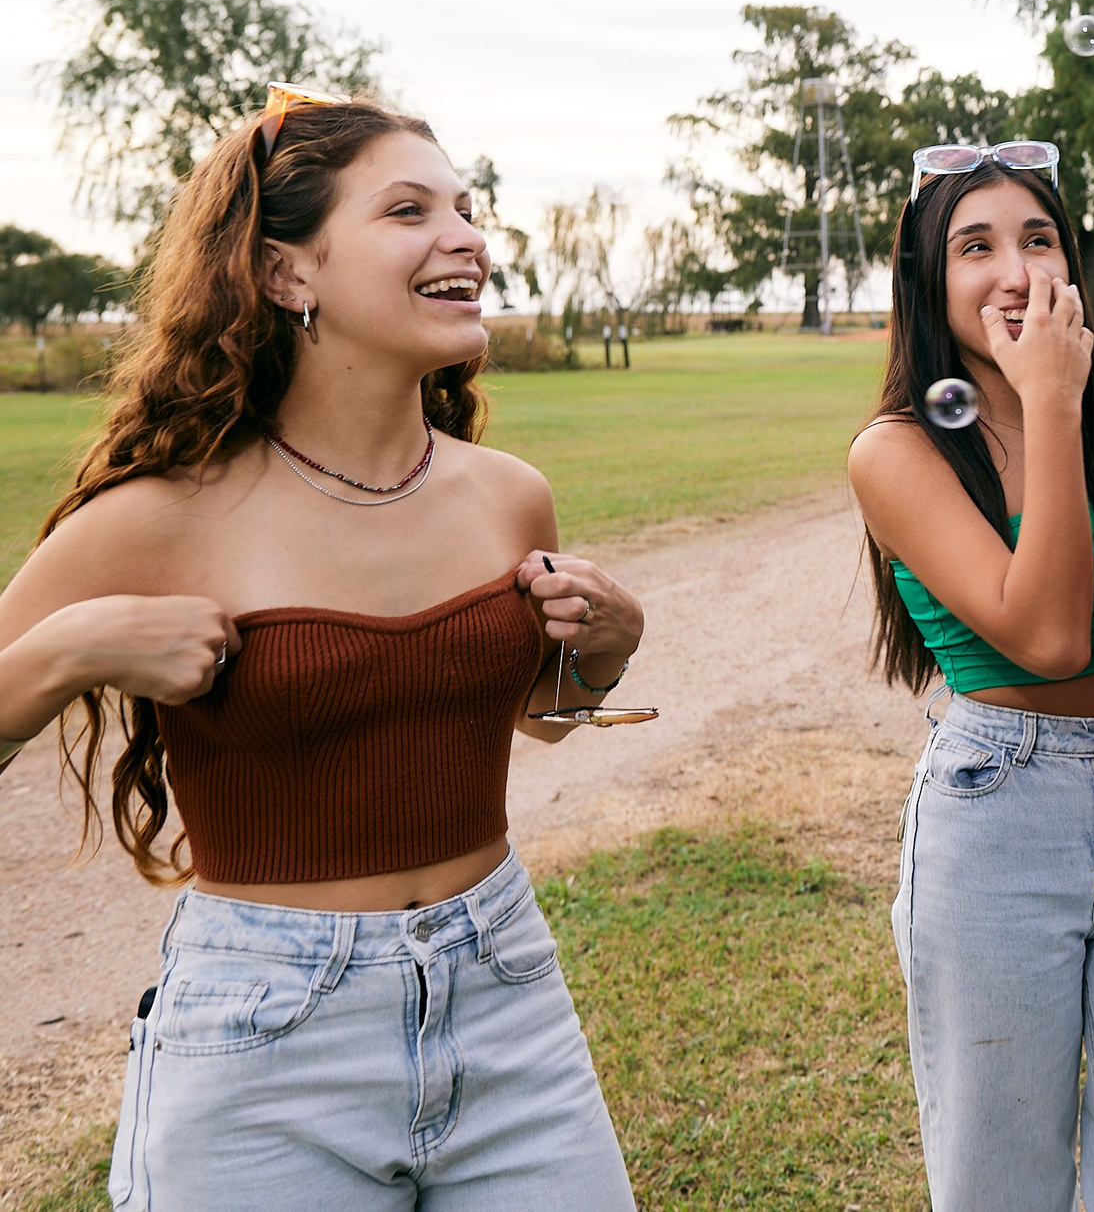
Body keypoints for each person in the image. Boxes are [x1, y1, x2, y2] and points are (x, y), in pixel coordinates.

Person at [0, 86, 644, 1210]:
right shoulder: (160, 515)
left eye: (466, 208)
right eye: (408, 212)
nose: (466, 240)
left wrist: (604, 655)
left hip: (505, 991)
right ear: (288, 273)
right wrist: (73, 647)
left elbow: (538, 712)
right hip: (263, 1038)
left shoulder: (508, 495)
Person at [847, 140, 1094, 1212]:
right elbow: (1053, 636)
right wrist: (1055, 408)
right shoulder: (896, 451)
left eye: (1038, 239)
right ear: (929, 282)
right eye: (975, 247)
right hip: (999, 817)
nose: (1015, 270)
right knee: (1003, 1181)